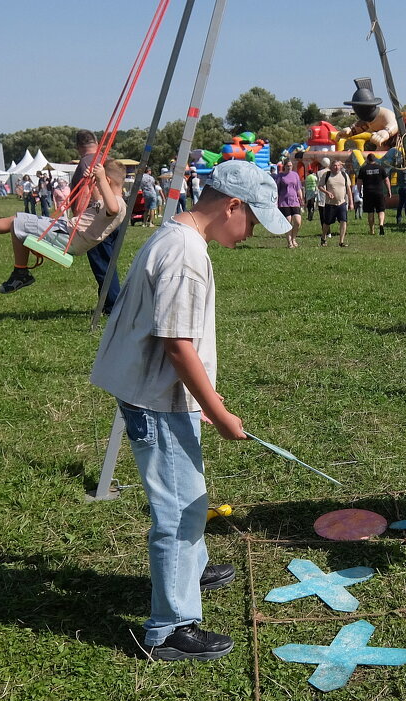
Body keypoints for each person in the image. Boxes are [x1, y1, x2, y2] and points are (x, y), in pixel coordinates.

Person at [89, 160, 291, 661]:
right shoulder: (185, 255)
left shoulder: (176, 236)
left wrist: (203, 404)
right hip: (159, 399)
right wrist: (218, 412)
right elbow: (177, 345)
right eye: (252, 221)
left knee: (188, 494)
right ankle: (170, 628)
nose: (251, 234)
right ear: (232, 206)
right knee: (180, 509)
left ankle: (191, 569)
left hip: (162, 393)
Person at [0, 160, 127, 295]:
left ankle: (20, 272)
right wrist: (94, 182)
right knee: (17, 220)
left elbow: (112, 208)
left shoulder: (118, 204)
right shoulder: (110, 200)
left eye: (103, 181)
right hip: (67, 231)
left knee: (18, 223)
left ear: (108, 180)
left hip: (70, 237)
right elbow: (100, 201)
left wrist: (101, 179)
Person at [73, 129, 124, 314]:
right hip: (113, 219)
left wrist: (78, 218)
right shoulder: (107, 159)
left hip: (97, 221)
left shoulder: (86, 163)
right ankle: (109, 303)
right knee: (108, 263)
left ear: (78, 146)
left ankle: (113, 305)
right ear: (96, 142)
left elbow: (85, 196)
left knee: (103, 265)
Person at [318, 159, 352, 247]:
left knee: (343, 221)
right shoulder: (327, 175)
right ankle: (323, 237)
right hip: (330, 204)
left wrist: (351, 203)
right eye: (335, 165)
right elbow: (320, 186)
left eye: (338, 165)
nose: (337, 167)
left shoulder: (344, 175)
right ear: (331, 167)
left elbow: (348, 189)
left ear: (340, 166)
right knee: (327, 223)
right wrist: (327, 193)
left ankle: (341, 242)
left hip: (342, 203)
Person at [356, 154, 391, 235]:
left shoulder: (363, 169)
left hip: (368, 192)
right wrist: (389, 190)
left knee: (370, 211)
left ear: (367, 159)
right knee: (381, 210)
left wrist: (359, 191)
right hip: (379, 192)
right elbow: (386, 180)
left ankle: (372, 230)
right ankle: (381, 224)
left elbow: (359, 182)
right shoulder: (380, 168)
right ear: (375, 159)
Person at [274, 159, 304, 248]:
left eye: (290, 166)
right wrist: (276, 202)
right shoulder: (280, 176)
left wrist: (301, 198)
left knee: (298, 222)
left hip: (294, 200)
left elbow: (298, 188)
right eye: (287, 166)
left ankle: (294, 238)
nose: (289, 167)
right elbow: (276, 190)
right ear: (284, 166)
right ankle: (289, 242)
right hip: (284, 202)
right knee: (288, 222)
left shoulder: (295, 175)